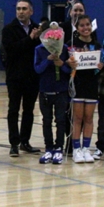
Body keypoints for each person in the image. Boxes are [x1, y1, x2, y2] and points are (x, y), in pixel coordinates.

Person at [2, 0, 41, 156]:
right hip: (15, 76)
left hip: (32, 76)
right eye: (18, 8)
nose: (21, 11)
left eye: (24, 8)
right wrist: (29, 39)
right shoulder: (9, 29)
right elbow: (11, 50)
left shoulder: (38, 29)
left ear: (31, 11)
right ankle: (14, 143)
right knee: (13, 109)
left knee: (29, 110)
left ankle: (25, 141)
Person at [34, 22, 75, 165]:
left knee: (61, 120)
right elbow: (37, 69)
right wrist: (48, 60)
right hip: (45, 90)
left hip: (61, 91)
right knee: (46, 121)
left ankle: (59, 148)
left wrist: (61, 64)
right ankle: (48, 148)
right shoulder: (39, 49)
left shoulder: (64, 49)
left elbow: (70, 71)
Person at [69, 15, 102, 163]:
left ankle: (86, 148)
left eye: (87, 25)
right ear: (77, 28)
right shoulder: (72, 44)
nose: (85, 28)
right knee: (77, 118)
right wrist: (70, 64)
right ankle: (76, 149)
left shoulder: (97, 45)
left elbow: (100, 67)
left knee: (89, 118)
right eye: (82, 25)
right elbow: (67, 65)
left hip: (92, 85)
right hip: (77, 84)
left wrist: (101, 67)